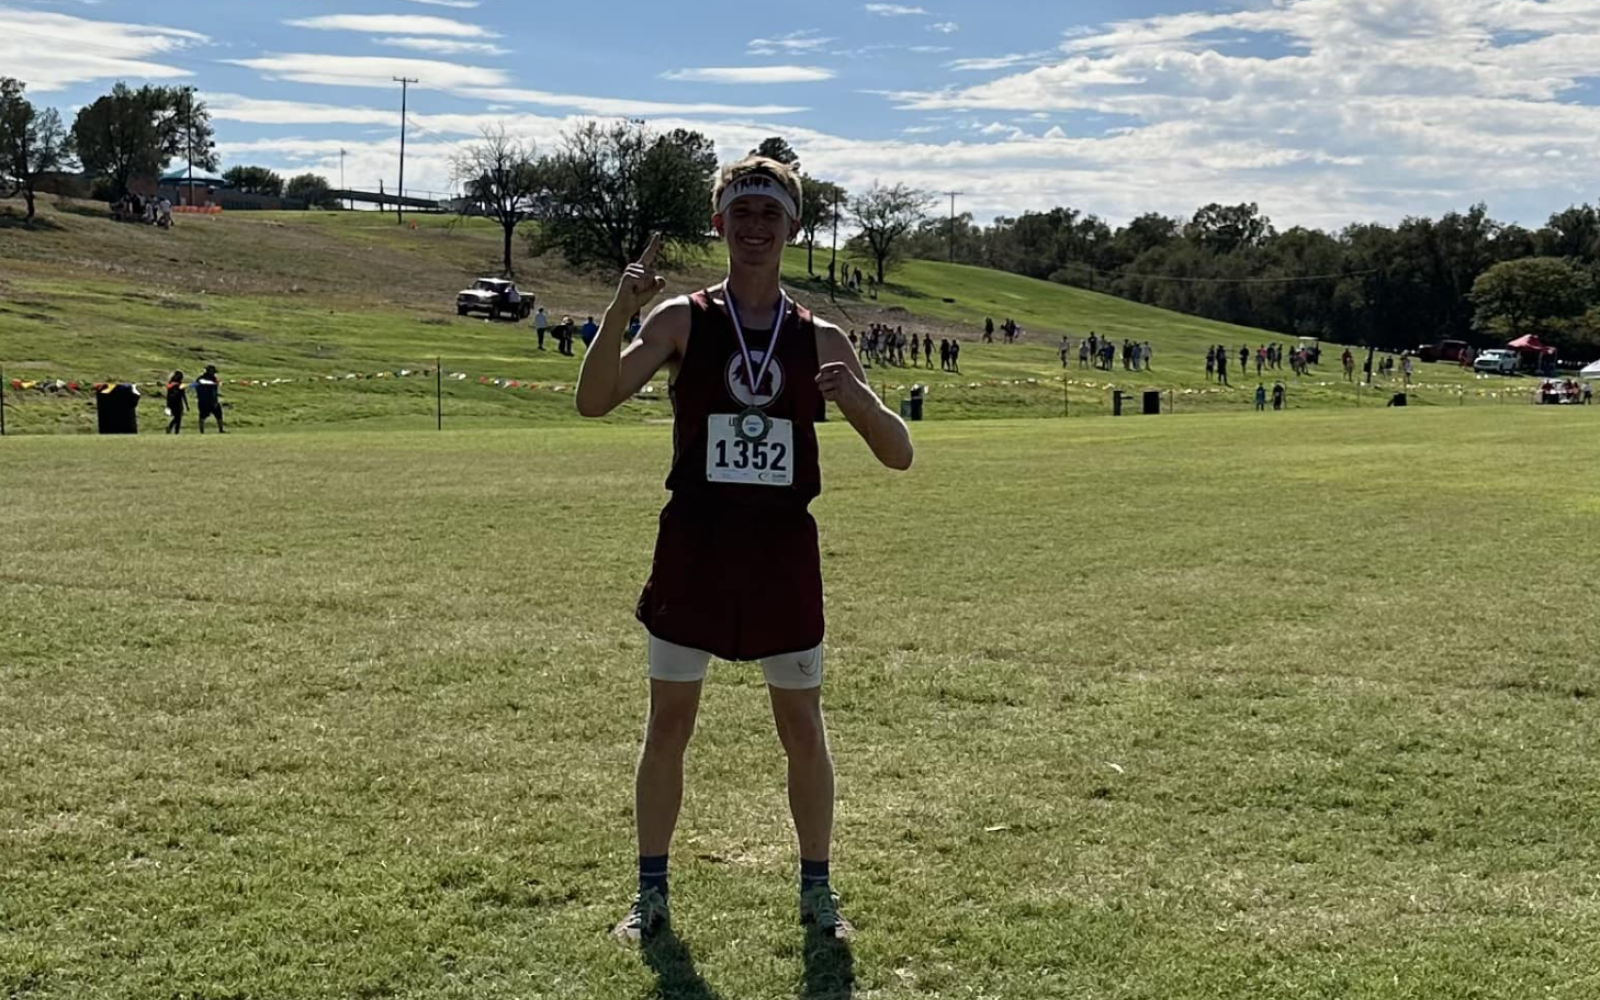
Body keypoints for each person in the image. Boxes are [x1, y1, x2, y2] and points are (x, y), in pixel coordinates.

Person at [575, 155, 912, 946]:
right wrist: (619, 311)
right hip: (694, 548)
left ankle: (818, 896)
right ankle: (650, 895)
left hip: (780, 558)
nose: (756, 227)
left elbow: (897, 453)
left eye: (771, 213)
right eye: (742, 212)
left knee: (803, 726)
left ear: (793, 228)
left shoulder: (821, 336)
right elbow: (594, 400)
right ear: (719, 224)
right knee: (669, 725)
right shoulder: (682, 320)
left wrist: (858, 398)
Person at [194, 365, 225, 434]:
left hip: (211, 400)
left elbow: (215, 390)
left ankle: (221, 429)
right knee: (202, 416)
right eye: (213, 372)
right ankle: (202, 431)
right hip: (204, 401)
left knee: (218, 415)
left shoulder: (213, 378)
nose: (214, 373)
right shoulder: (201, 379)